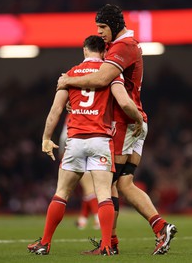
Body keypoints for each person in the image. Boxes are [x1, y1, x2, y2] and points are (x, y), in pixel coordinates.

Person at [57, 4, 177, 255]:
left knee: (107, 181)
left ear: (113, 24)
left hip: (125, 121)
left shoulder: (124, 47)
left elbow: (102, 79)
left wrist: (68, 81)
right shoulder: (121, 45)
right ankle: (156, 229)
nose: (100, 32)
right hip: (133, 120)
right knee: (123, 183)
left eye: (102, 27)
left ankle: (111, 243)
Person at [27, 35, 144, 256]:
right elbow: (124, 102)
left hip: (75, 141)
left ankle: (45, 243)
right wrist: (138, 119)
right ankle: (107, 245)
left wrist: (46, 138)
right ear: (104, 53)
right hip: (100, 141)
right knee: (103, 195)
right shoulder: (111, 73)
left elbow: (55, 111)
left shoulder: (69, 75)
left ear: (84, 50)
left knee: (61, 193)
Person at [59, 114, 100, 230]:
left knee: (88, 187)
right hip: (95, 147)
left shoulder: (73, 113)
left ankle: (98, 218)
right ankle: (83, 218)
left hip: (76, 149)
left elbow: (64, 136)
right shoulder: (91, 111)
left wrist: (62, 152)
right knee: (88, 188)